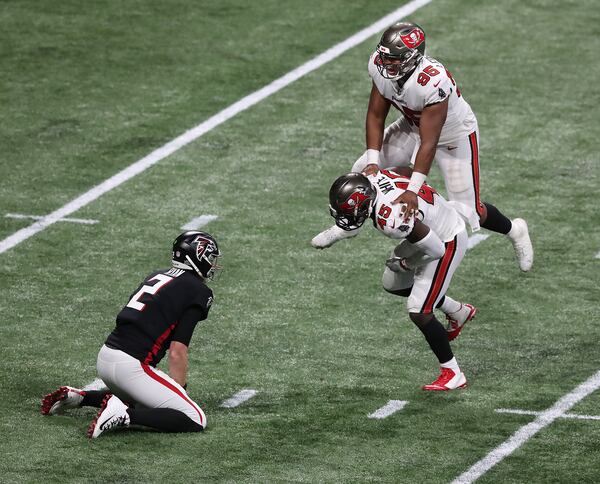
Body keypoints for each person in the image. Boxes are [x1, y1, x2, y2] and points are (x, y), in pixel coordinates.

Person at [312, 21, 534, 272]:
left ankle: (515, 230)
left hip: (454, 137)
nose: (386, 64)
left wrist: (413, 190)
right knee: (362, 168)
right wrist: (374, 161)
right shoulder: (379, 65)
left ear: (413, 58)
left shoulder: (433, 81)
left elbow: (430, 142)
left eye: (394, 59)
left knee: (466, 213)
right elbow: (375, 115)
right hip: (412, 124)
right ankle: (347, 226)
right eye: (385, 57)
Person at [41, 231, 221, 438]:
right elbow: (177, 351)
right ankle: (124, 416)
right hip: (132, 367)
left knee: (150, 397)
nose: (212, 264)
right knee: (194, 417)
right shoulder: (198, 291)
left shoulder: (157, 275)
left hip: (107, 357)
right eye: (210, 258)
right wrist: (180, 393)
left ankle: (81, 398)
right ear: (196, 256)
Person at [327, 169, 477, 390]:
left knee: (419, 311)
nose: (346, 217)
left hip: (447, 239)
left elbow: (436, 250)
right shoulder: (373, 177)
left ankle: (452, 372)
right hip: (427, 230)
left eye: (348, 212)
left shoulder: (391, 218)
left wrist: (407, 264)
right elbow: (405, 170)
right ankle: (457, 310)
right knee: (393, 283)